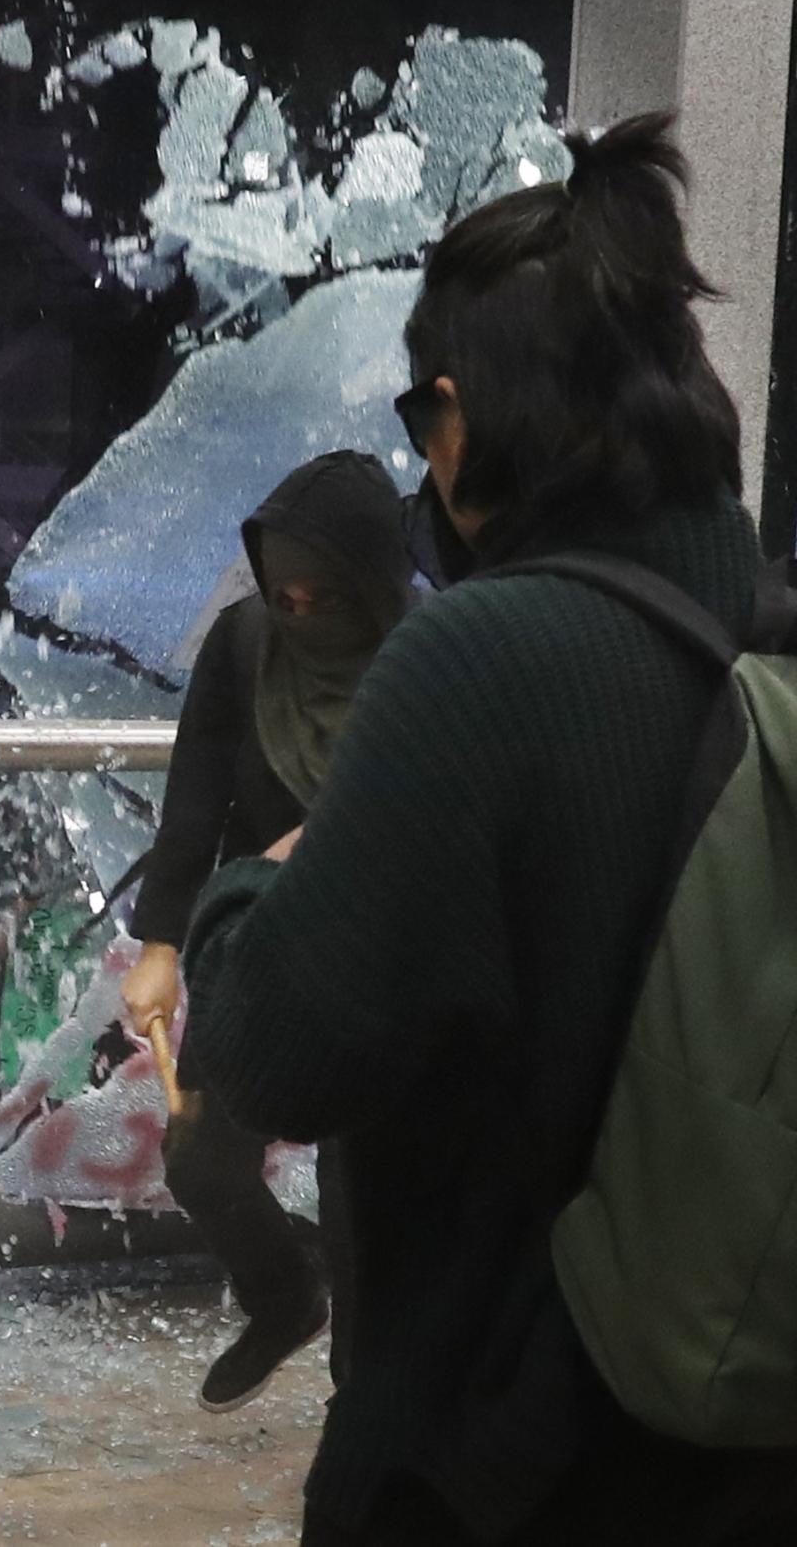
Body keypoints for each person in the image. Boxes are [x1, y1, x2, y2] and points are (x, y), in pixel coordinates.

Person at [182, 114, 797, 1542]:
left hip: (502, 1461)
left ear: (463, 418)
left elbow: (276, 1051)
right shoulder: (765, 631)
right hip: (737, 1441)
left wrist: (244, 894)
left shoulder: (483, 661)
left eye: (420, 416)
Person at [119, 450, 410, 1414]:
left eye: (315, 598)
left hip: (388, 960)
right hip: (263, 950)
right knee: (201, 1154)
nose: (293, 616)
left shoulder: (429, 657)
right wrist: (160, 943)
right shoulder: (245, 646)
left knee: (361, 1201)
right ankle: (285, 1299)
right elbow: (194, 798)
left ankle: (357, 1414)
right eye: (278, 593)